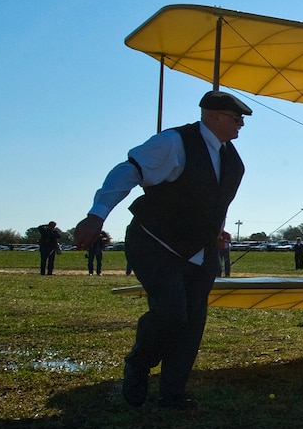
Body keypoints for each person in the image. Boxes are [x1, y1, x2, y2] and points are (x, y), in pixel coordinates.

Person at [72, 89, 251, 409]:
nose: (241, 125)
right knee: (170, 312)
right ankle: (138, 364)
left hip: (201, 252)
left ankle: (172, 393)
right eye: (236, 118)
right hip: (155, 242)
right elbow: (128, 170)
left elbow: (214, 201)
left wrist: (215, 231)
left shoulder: (233, 160)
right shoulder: (174, 142)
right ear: (214, 117)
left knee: (192, 322)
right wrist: (96, 215)